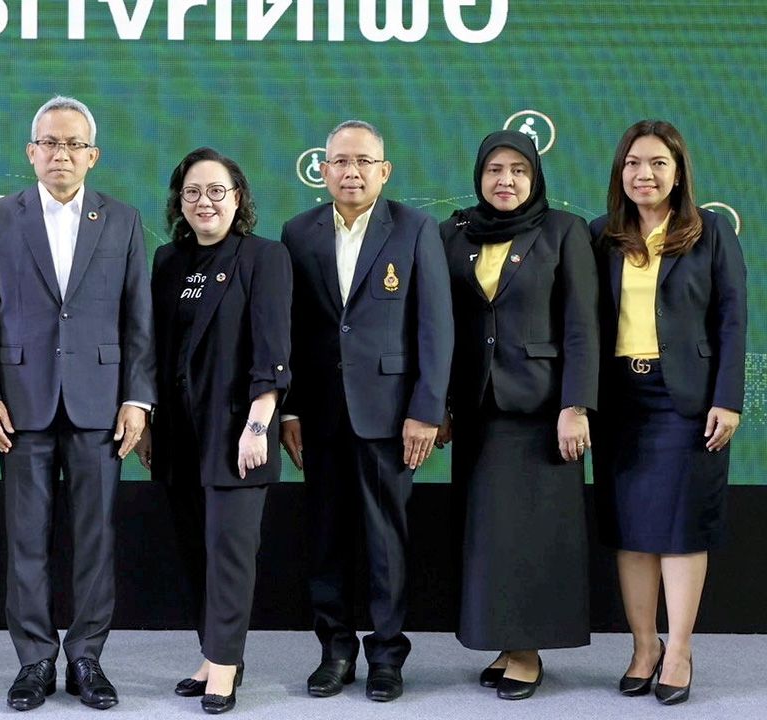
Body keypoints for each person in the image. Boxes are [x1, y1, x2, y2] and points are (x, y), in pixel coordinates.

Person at [0, 95, 155, 711]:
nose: (60, 154)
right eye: (49, 143)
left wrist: (138, 398)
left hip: (102, 406)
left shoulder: (123, 220)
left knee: (96, 537)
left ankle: (88, 659)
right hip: (19, 405)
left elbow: (138, 319)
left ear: (92, 156)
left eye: (73, 144)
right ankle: (35, 661)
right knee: (26, 536)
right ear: (31, 152)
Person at [279, 120, 452, 702]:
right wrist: (290, 411)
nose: (351, 172)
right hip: (321, 416)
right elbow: (294, 332)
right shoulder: (297, 232)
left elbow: (435, 328)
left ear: (385, 170)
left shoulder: (416, 229)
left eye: (363, 162)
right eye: (339, 162)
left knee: (386, 538)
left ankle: (386, 655)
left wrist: (426, 410)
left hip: (392, 415)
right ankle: (334, 650)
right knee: (324, 537)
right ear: (322, 169)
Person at [590, 120, 746, 706]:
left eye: (657, 163)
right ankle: (643, 647)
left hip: (688, 400)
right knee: (632, 533)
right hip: (618, 402)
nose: (644, 174)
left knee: (680, 531)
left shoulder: (710, 234)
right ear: (620, 171)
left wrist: (727, 398)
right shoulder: (599, 234)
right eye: (633, 162)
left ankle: (678, 649)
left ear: (678, 171)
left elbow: (732, 321)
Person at [438, 130, 597, 700]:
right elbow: (442, 327)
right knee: (491, 537)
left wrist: (576, 405)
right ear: (479, 176)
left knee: (533, 535)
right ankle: (507, 641)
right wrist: (442, 405)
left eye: (518, 171)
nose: (505, 181)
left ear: (534, 177)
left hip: (543, 411)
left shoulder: (564, 231)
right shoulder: (454, 233)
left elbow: (582, 326)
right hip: (478, 410)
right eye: (494, 170)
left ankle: (528, 650)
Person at [136, 148, 290, 714]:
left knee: (230, 553)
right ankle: (211, 653)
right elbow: (153, 351)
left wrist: (258, 424)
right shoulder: (167, 261)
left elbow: (273, 353)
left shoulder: (264, 258)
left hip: (238, 432)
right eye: (193, 192)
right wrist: (148, 422)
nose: (205, 202)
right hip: (178, 435)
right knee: (194, 550)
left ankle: (225, 666)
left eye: (217, 191)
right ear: (180, 201)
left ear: (239, 198)